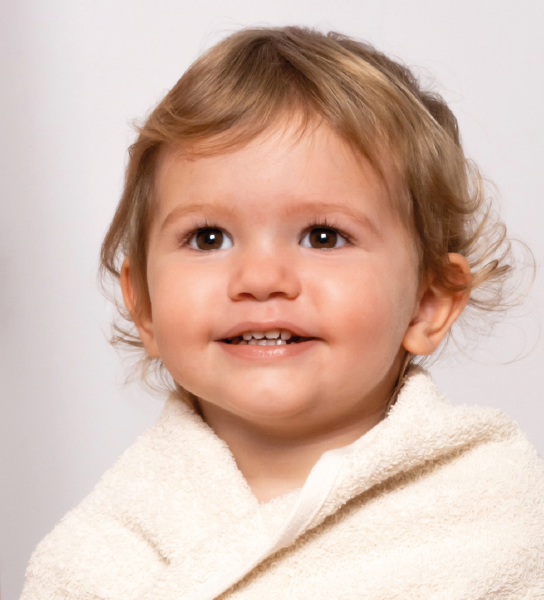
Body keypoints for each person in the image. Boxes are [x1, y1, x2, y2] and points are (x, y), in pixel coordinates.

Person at [20, 26, 544, 599]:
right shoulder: (96, 556)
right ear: (144, 304)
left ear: (428, 302)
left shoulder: (496, 517)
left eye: (323, 236)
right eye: (208, 237)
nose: (260, 279)